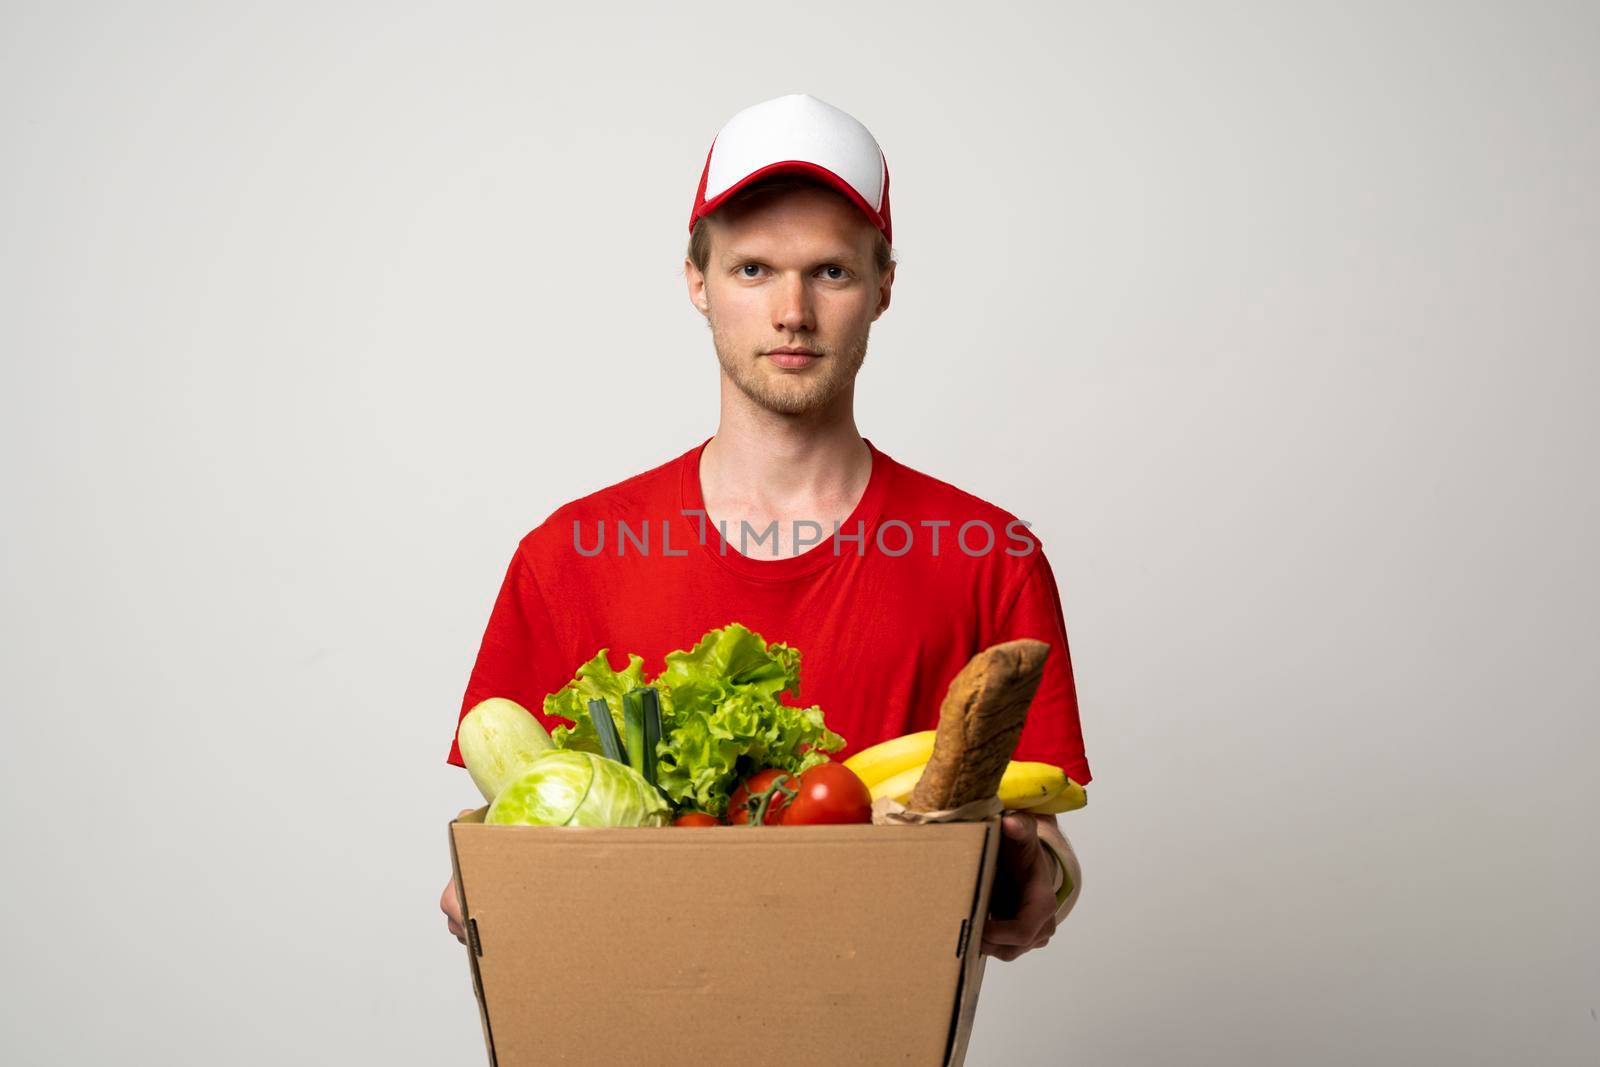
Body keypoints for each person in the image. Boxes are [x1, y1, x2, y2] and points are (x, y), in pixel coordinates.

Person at [439, 93, 1091, 963]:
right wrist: (482, 884)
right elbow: (501, 821)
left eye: (830, 271)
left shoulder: (988, 559)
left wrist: (1037, 873)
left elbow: (1045, 840)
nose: (792, 311)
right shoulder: (569, 556)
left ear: (884, 288)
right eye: (752, 269)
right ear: (695, 281)